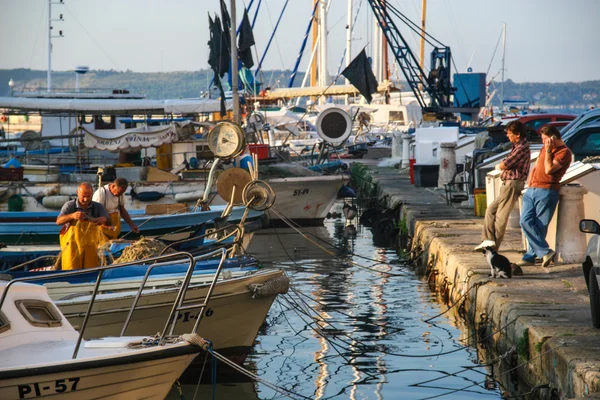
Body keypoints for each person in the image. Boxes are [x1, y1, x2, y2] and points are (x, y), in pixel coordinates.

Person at [519, 125, 572, 267]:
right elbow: (537, 166)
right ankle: (545, 251)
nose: (543, 142)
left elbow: (549, 169)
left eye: (545, 139)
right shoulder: (544, 148)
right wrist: (530, 183)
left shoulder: (564, 153)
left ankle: (530, 256)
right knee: (525, 221)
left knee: (540, 226)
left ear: (553, 137)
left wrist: (549, 150)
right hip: (532, 189)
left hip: (547, 190)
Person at [475, 120, 530, 251]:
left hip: (513, 184)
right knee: (490, 211)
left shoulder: (522, 148)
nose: (507, 136)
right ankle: (487, 240)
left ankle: (494, 247)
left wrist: (500, 165)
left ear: (517, 134)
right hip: (507, 184)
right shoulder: (516, 146)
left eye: (509, 133)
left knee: (501, 216)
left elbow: (506, 164)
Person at [56, 182, 110, 270]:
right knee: (71, 270)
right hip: (72, 248)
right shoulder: (70, 205)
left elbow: (109, 221)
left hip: (90, 247)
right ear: (77, 193)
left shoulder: (97, 207)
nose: (86, 199)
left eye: (88, 196)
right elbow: (58, 221)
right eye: (83, 196)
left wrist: (104, 219)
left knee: (90, 271)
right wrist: (72, 216)